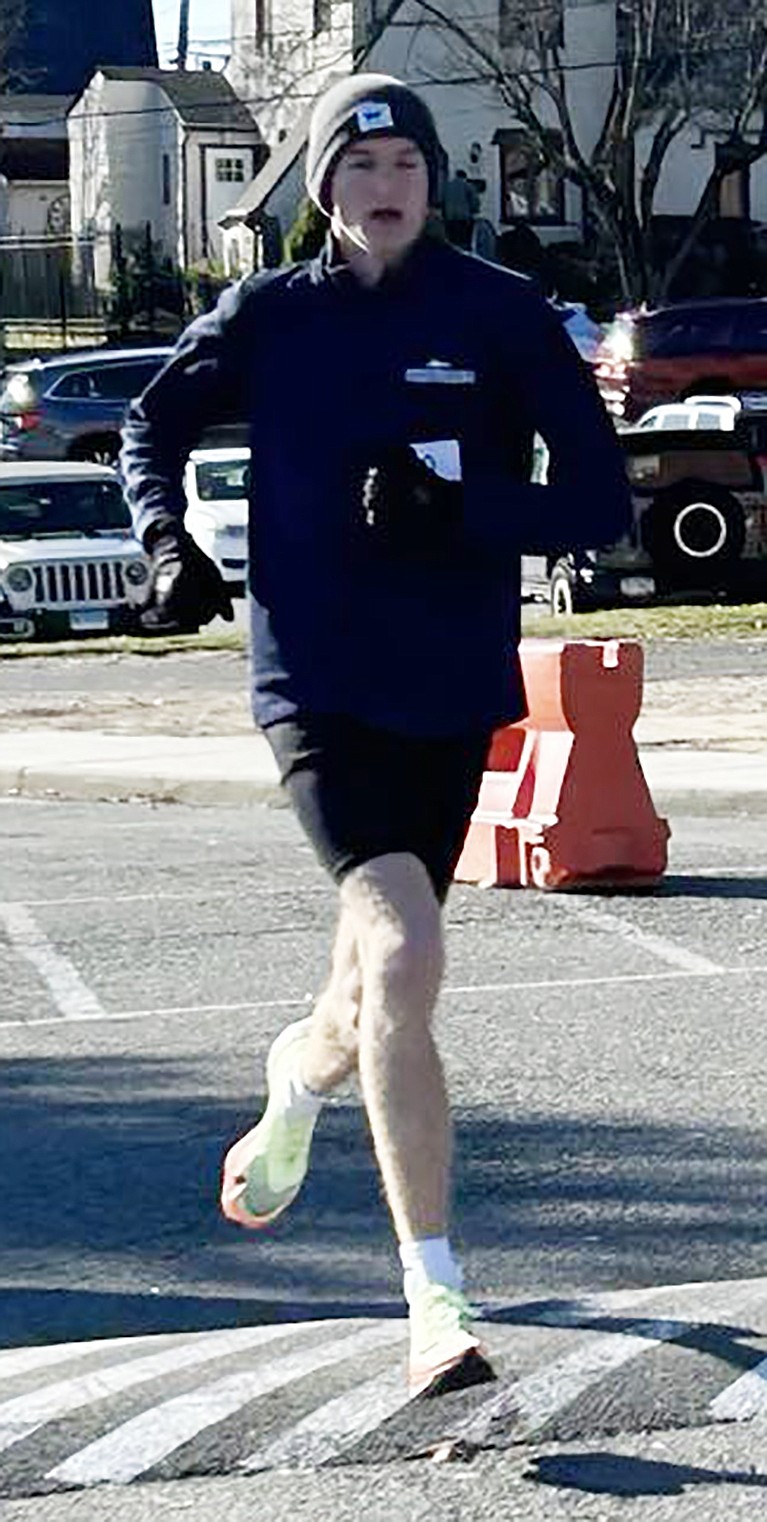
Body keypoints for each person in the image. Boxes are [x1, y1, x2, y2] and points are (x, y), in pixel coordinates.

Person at [119, 72, 632, 1400]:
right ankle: (436, 1296)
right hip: (316, 681)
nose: (384, 182)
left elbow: (594, 498)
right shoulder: (270, 317)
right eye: (357, 162)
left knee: (369, 994)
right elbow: (150, 422)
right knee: (406, 947)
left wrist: (458, 514)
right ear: (321, 187)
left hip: (450, 684)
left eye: (406, 158)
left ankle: (298, 1079)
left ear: (434, 181)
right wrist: (168, 545)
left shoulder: (500, 315)